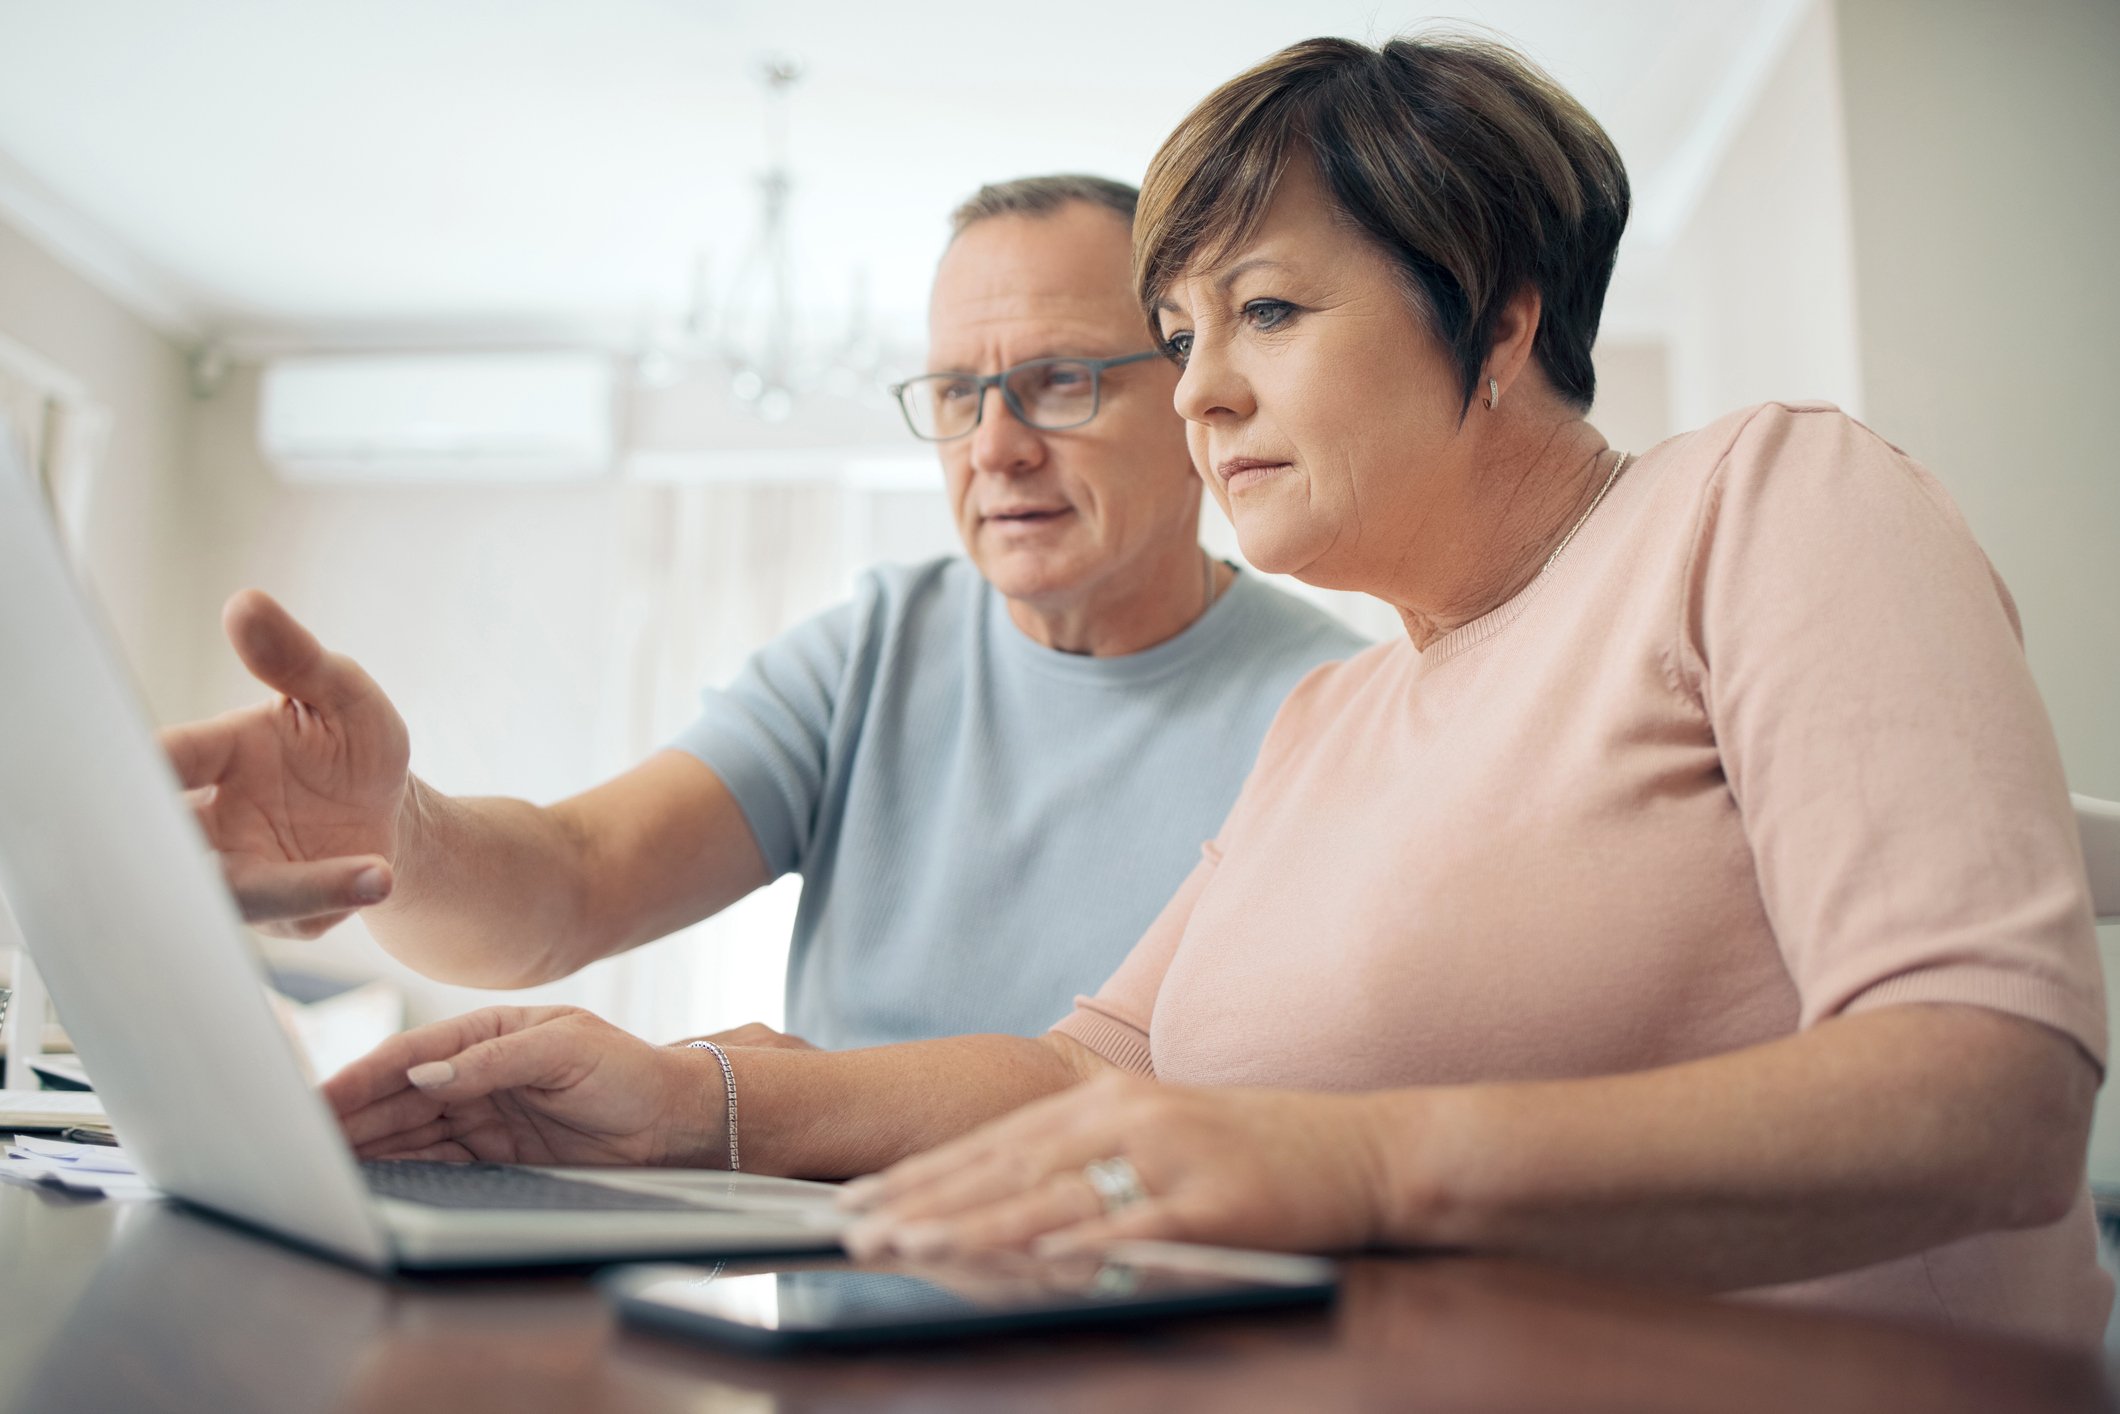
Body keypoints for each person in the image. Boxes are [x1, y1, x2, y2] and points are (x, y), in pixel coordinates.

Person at [325, 35, 2109, 1345]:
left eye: (1263, 312)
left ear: (1493, 313)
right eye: (1180, 338)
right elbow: (1088, 1068)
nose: (1199, 397)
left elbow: (1991, 1093)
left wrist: (1348, 1162)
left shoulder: (1771, 500)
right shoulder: (1331, 720)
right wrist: (689, 1096)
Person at [166, 174, 1365, 1050]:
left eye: (1058, 382)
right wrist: (395, 827)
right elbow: (571, 881)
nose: (993, 447)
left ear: (1190, 389)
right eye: (957, 392)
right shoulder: (872, 650)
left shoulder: (1335, 712)